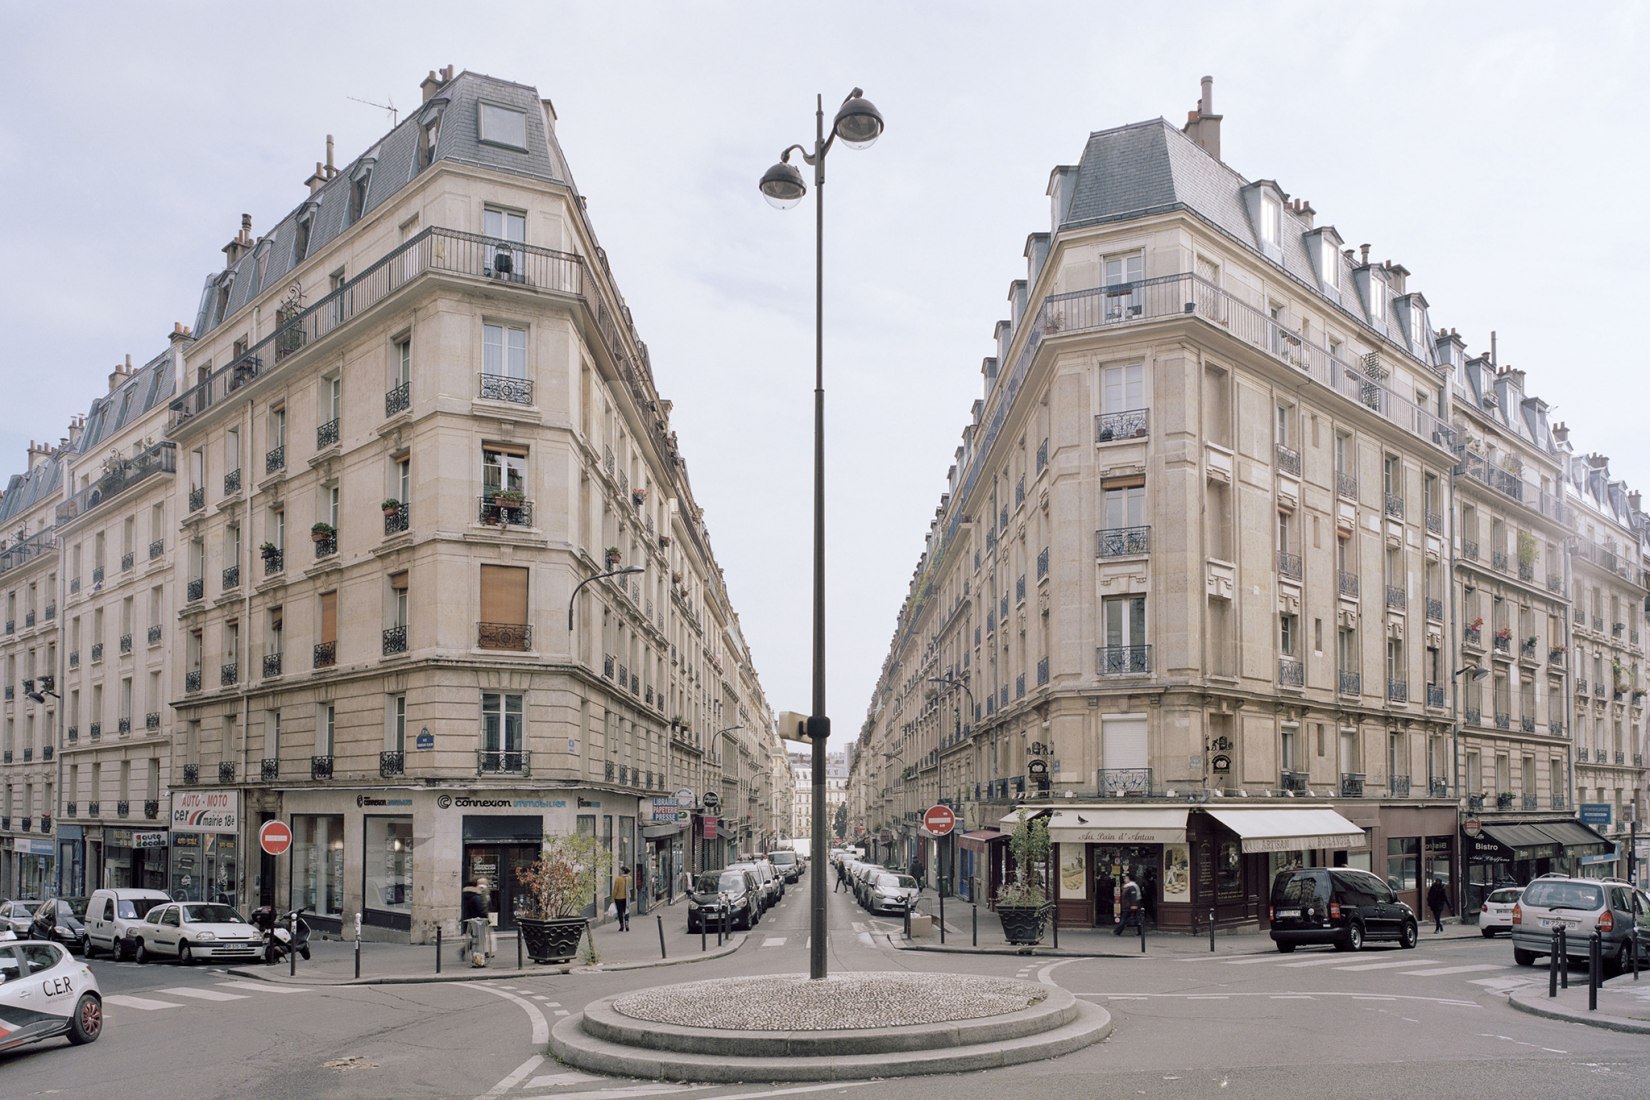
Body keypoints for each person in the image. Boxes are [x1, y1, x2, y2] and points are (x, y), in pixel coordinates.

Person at [461, 877, 493, 967]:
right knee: (477, 938)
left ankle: (477, 954)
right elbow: (481, 909)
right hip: (477, 921)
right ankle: (476, 956)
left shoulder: (469, 894)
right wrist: (486, 918)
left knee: (476, 938)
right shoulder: (475, 897)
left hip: (472, 920)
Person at [612, 864, 632, 931]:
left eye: (621, 870)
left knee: (620, 912)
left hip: (618, 898)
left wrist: (613, 897)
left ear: (623, 871)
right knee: (626, 911)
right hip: (627, 897)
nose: (620, 871)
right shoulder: (629, 878)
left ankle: (622, 926)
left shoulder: (618, 879)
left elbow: (615, 889)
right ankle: (627, 924)